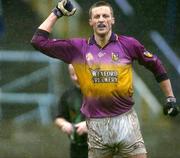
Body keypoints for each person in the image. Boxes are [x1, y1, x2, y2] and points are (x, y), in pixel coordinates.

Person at [31, 1, 179, 158]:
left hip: (125, 121)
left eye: (105, 16)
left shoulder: (129, 44)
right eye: (97, 16)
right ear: (91, 22)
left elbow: (156, 65)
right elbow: (38, 41)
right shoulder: (77, 47)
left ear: (112, 20)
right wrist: (57, 13)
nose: (101, 19)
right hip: (96, 125)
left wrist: (170, 97)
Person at [55, 64, 88, 158]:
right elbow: (59, 118)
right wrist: (64, 124)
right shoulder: (67, 95)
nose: (76, 78)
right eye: (72, 74)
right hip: (76, 148)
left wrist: (90, 125)